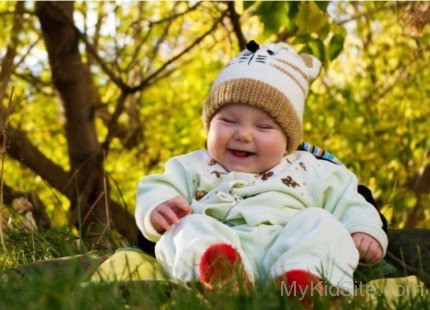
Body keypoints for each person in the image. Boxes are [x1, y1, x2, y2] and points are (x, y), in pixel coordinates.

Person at [135, 41, 388, 298]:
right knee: (185, 229)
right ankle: (219, 276)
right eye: (228, 121)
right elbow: (158, 186)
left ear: (287, 140)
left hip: (289, 248)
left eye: (264, 127)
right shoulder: (191, 166)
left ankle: (303, 283)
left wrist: (364, 231)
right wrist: (157, 207)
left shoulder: (310, 168)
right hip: (223, 244)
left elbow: (349, 200)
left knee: (322, 223)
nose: (243, 134)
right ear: (209, 126)